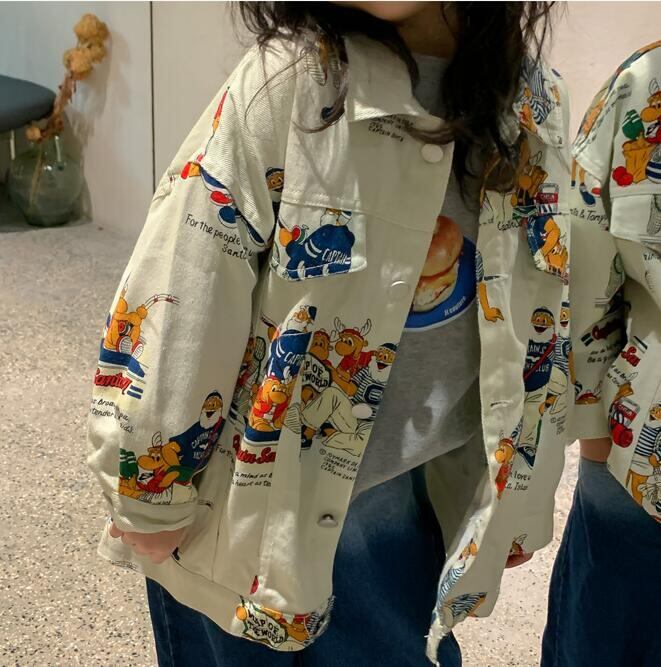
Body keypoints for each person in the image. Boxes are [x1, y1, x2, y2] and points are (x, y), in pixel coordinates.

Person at [86, 2, 571, 665]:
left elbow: (544, 313)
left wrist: (521, 494)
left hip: (407, 495)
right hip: (241, 509)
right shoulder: (290, 80)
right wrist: (148, 490)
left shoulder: (533, 106)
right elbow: (186, 279)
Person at [542, 40, 661, 667]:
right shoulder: (644, 87)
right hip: (638, 467)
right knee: (601, 639)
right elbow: (586, 269)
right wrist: (592, 427)